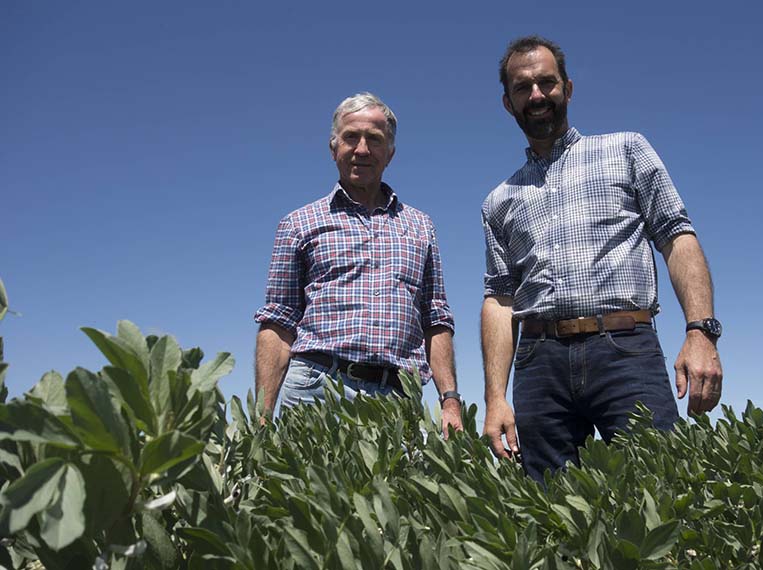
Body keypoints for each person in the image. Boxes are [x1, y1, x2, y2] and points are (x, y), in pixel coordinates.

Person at [481, 37, 724, 480]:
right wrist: (496, 396)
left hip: (625, 350)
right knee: (551, 507)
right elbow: (499, 300)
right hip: (539, 365)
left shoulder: (627, 149)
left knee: (660, 491)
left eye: (546, 82)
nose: (536, 95)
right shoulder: (498, 200)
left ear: (568, 89)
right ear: (507, 102)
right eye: (522, 87)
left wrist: (701, 331)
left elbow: (677, 237)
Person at [254, 92, 462, 435]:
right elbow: (278, 323)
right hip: (314, 391)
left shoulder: (421, 226)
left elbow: (435, 318)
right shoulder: (298, 224)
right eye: (351, 137)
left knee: (392, 490)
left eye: (374, 140)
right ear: (334, 147)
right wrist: (262, 415)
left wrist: (450, 400)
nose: (362, 149)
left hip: (396, 397)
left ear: (390, 154)